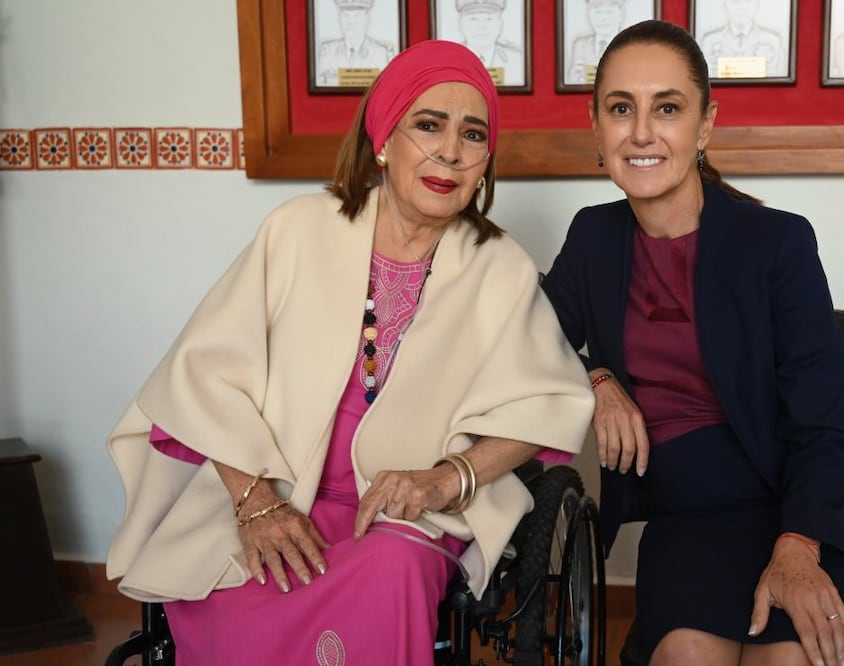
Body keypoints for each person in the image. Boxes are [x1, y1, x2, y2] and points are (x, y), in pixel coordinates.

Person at [106, 40, 594, 666]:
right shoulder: (299, 230)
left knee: (392, 568)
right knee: (230, 582)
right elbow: (200, 374)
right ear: (384, 139)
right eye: (428, 125)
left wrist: (446, 478)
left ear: (484, 163)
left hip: (402, 520)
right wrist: (256, 502)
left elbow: (546, 406)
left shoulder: (500, 269)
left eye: (473, 135)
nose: (450, 151)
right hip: (271, 497)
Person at [542, 19, 844, 666]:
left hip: (808, 505)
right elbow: (528, 343)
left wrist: (798, 546)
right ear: (595, 124)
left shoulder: (776, 243)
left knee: (787, 660)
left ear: (705, 125)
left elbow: (821, 423)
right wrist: (597, 379)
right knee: (684, 654)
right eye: (620, 109)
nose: (642, 132)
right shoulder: (593, 239)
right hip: (693, 518)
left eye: (668, 108)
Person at [316, 0, 397, 86]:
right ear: (339, 19)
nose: (350, 21)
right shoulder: (327, 52)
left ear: (367, 19)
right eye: (345, 16)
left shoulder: (382, 53)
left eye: (357, 16)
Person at [699, 0, 786, 78]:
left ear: (756, 4)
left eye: (747, 1)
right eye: (735, 1)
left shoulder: (773, 41)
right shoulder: (709, 41)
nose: (741, 7)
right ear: (725, 5)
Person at [456, 0, 525, 86]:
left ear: (500, 23)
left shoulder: (516, 58)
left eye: (489, 19)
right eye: (473, 19)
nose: (481, 27)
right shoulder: (452, 59)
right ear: (461, 23)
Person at [566, 0, 626, 84]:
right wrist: (574, 79)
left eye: (609, 12)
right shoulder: (580, 45)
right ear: (589, 16)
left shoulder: (629, 45)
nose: (603, 18)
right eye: (597, 12)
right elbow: (571, 80)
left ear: (621, 15)